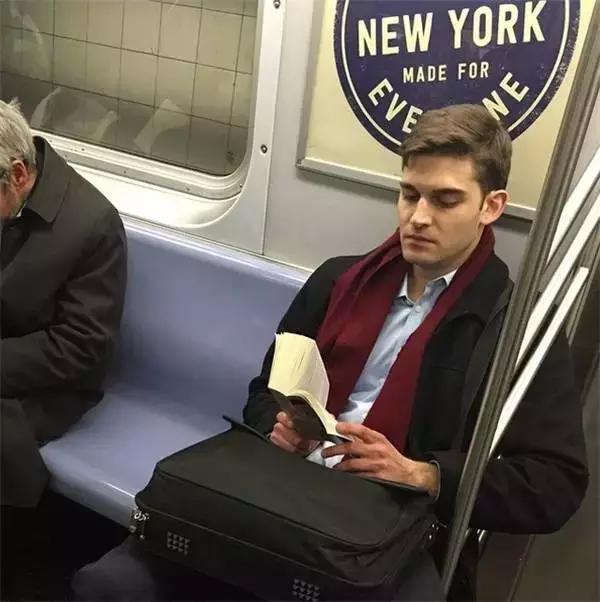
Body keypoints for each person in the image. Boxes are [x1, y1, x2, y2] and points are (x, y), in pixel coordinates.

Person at [72, 104, 588, 601]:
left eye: (445, 200)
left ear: (490, 207)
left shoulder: (515, 329)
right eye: (409, 194)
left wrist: (423, 473)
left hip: (391, 521)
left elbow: (554, 484)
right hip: (284, 482)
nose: (418, 217)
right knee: (114, 583)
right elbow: (264, 391)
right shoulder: (339, 280)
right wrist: (281, 426)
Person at [0, 99, 127, 594]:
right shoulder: (8, 198)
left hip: (50, 383)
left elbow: (80, 346)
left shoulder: (92, 225)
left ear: (17, 175)